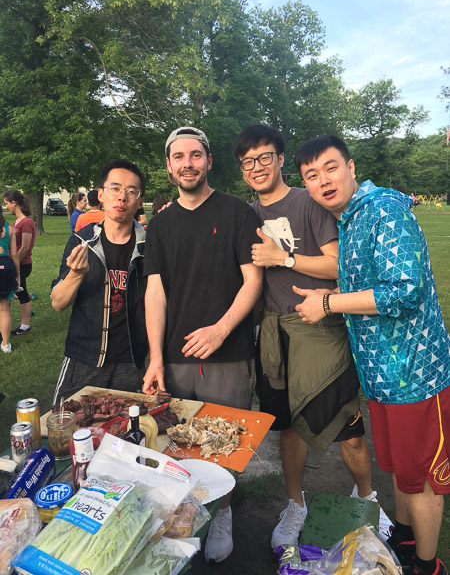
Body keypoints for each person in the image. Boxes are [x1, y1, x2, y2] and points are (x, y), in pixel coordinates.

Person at [294, 134, 450, 575]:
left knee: (420, 479)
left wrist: (327, 304)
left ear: (351, 167)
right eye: (312, 175)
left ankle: (426, 566)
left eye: (330, 167)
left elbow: (405, 290)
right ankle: (403, 537)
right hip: (383, 375)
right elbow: (369, 285)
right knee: (401, 470)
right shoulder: (351, 219)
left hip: (415, 373)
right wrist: (329, 292)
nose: (323, 180)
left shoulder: (383, 209)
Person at [233, 124, 390, 549]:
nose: (257, 167)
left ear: (280, 159)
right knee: (287, 428)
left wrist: (281, 256)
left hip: (320, 331)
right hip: (274, 334)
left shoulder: (308, 200)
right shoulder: (246, 214)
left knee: (348, 428)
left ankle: (368, 497)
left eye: (265, 157)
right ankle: (295, 504)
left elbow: (339, 265)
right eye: (248, 161)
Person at [143, 126, 263, 563]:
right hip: (174, 356)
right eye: (179, 156)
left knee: (224, 442)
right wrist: (155, 358)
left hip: (227, 353)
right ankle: (186, 513)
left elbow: (253, 280)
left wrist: (220, 330)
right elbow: (155, 292)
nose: (187, 163)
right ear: (170, 165)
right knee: (176, 443)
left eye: (196, 154)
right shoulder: (158, 225)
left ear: (209, 161)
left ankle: (224, 512)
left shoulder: (236, 212)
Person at [51, 159, 148, 404]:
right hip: (84, 359)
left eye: (131, 191)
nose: (122, 197)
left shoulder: (150, 247)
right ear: (101, 194)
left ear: (139, 201)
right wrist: (75, 274)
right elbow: (58, 303)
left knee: (126, 434)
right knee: (66, 430)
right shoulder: (81, 242)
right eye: (115, 189)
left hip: (130, 362)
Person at [3, 189, 36, 336]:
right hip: (15, 263)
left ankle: (25, 326)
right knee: (13, 293)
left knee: (22, 293)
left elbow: (24, 247)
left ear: (13, 203)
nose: (6, 207)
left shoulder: (26, 222)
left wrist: (13, 263)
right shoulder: (16, 222)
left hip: (22, 264)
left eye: (7, 204)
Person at [0, 205, 20, 353]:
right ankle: (6, 344)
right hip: (6, 267)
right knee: (4, 308)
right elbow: (14, 255)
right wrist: (17, 274)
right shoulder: (9, 229)